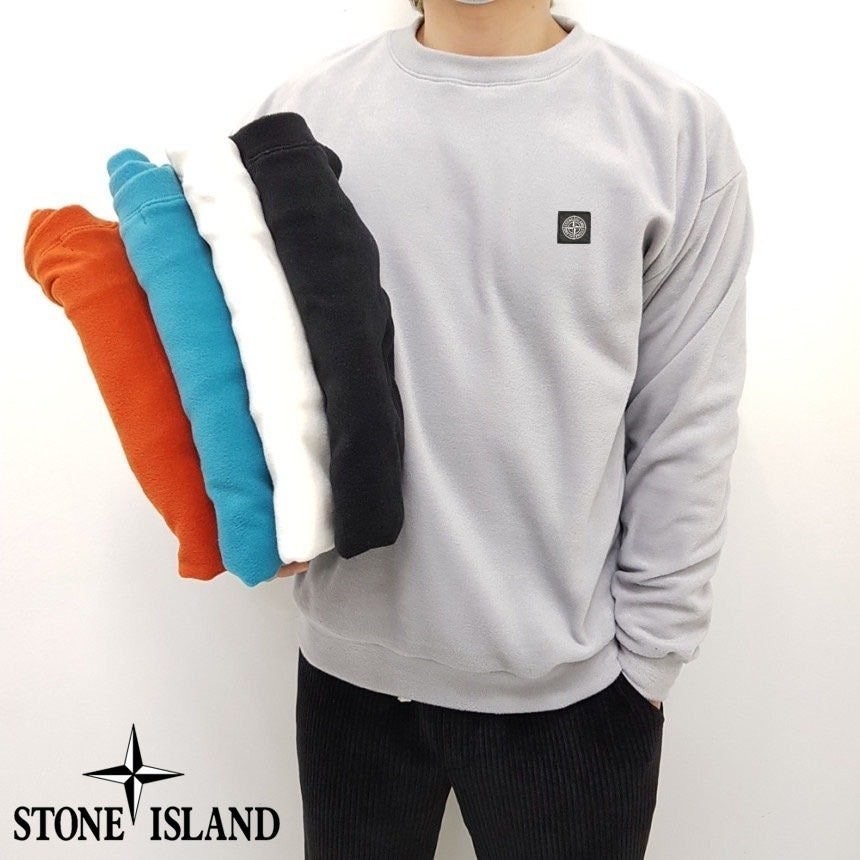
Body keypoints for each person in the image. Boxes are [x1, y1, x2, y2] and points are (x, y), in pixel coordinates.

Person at [245, 0, 753, 856]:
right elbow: (263, 362)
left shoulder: (672, 131)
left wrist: (649, 666)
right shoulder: (305, 113)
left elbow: (685, 418)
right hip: (348, 673)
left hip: (577, 696)